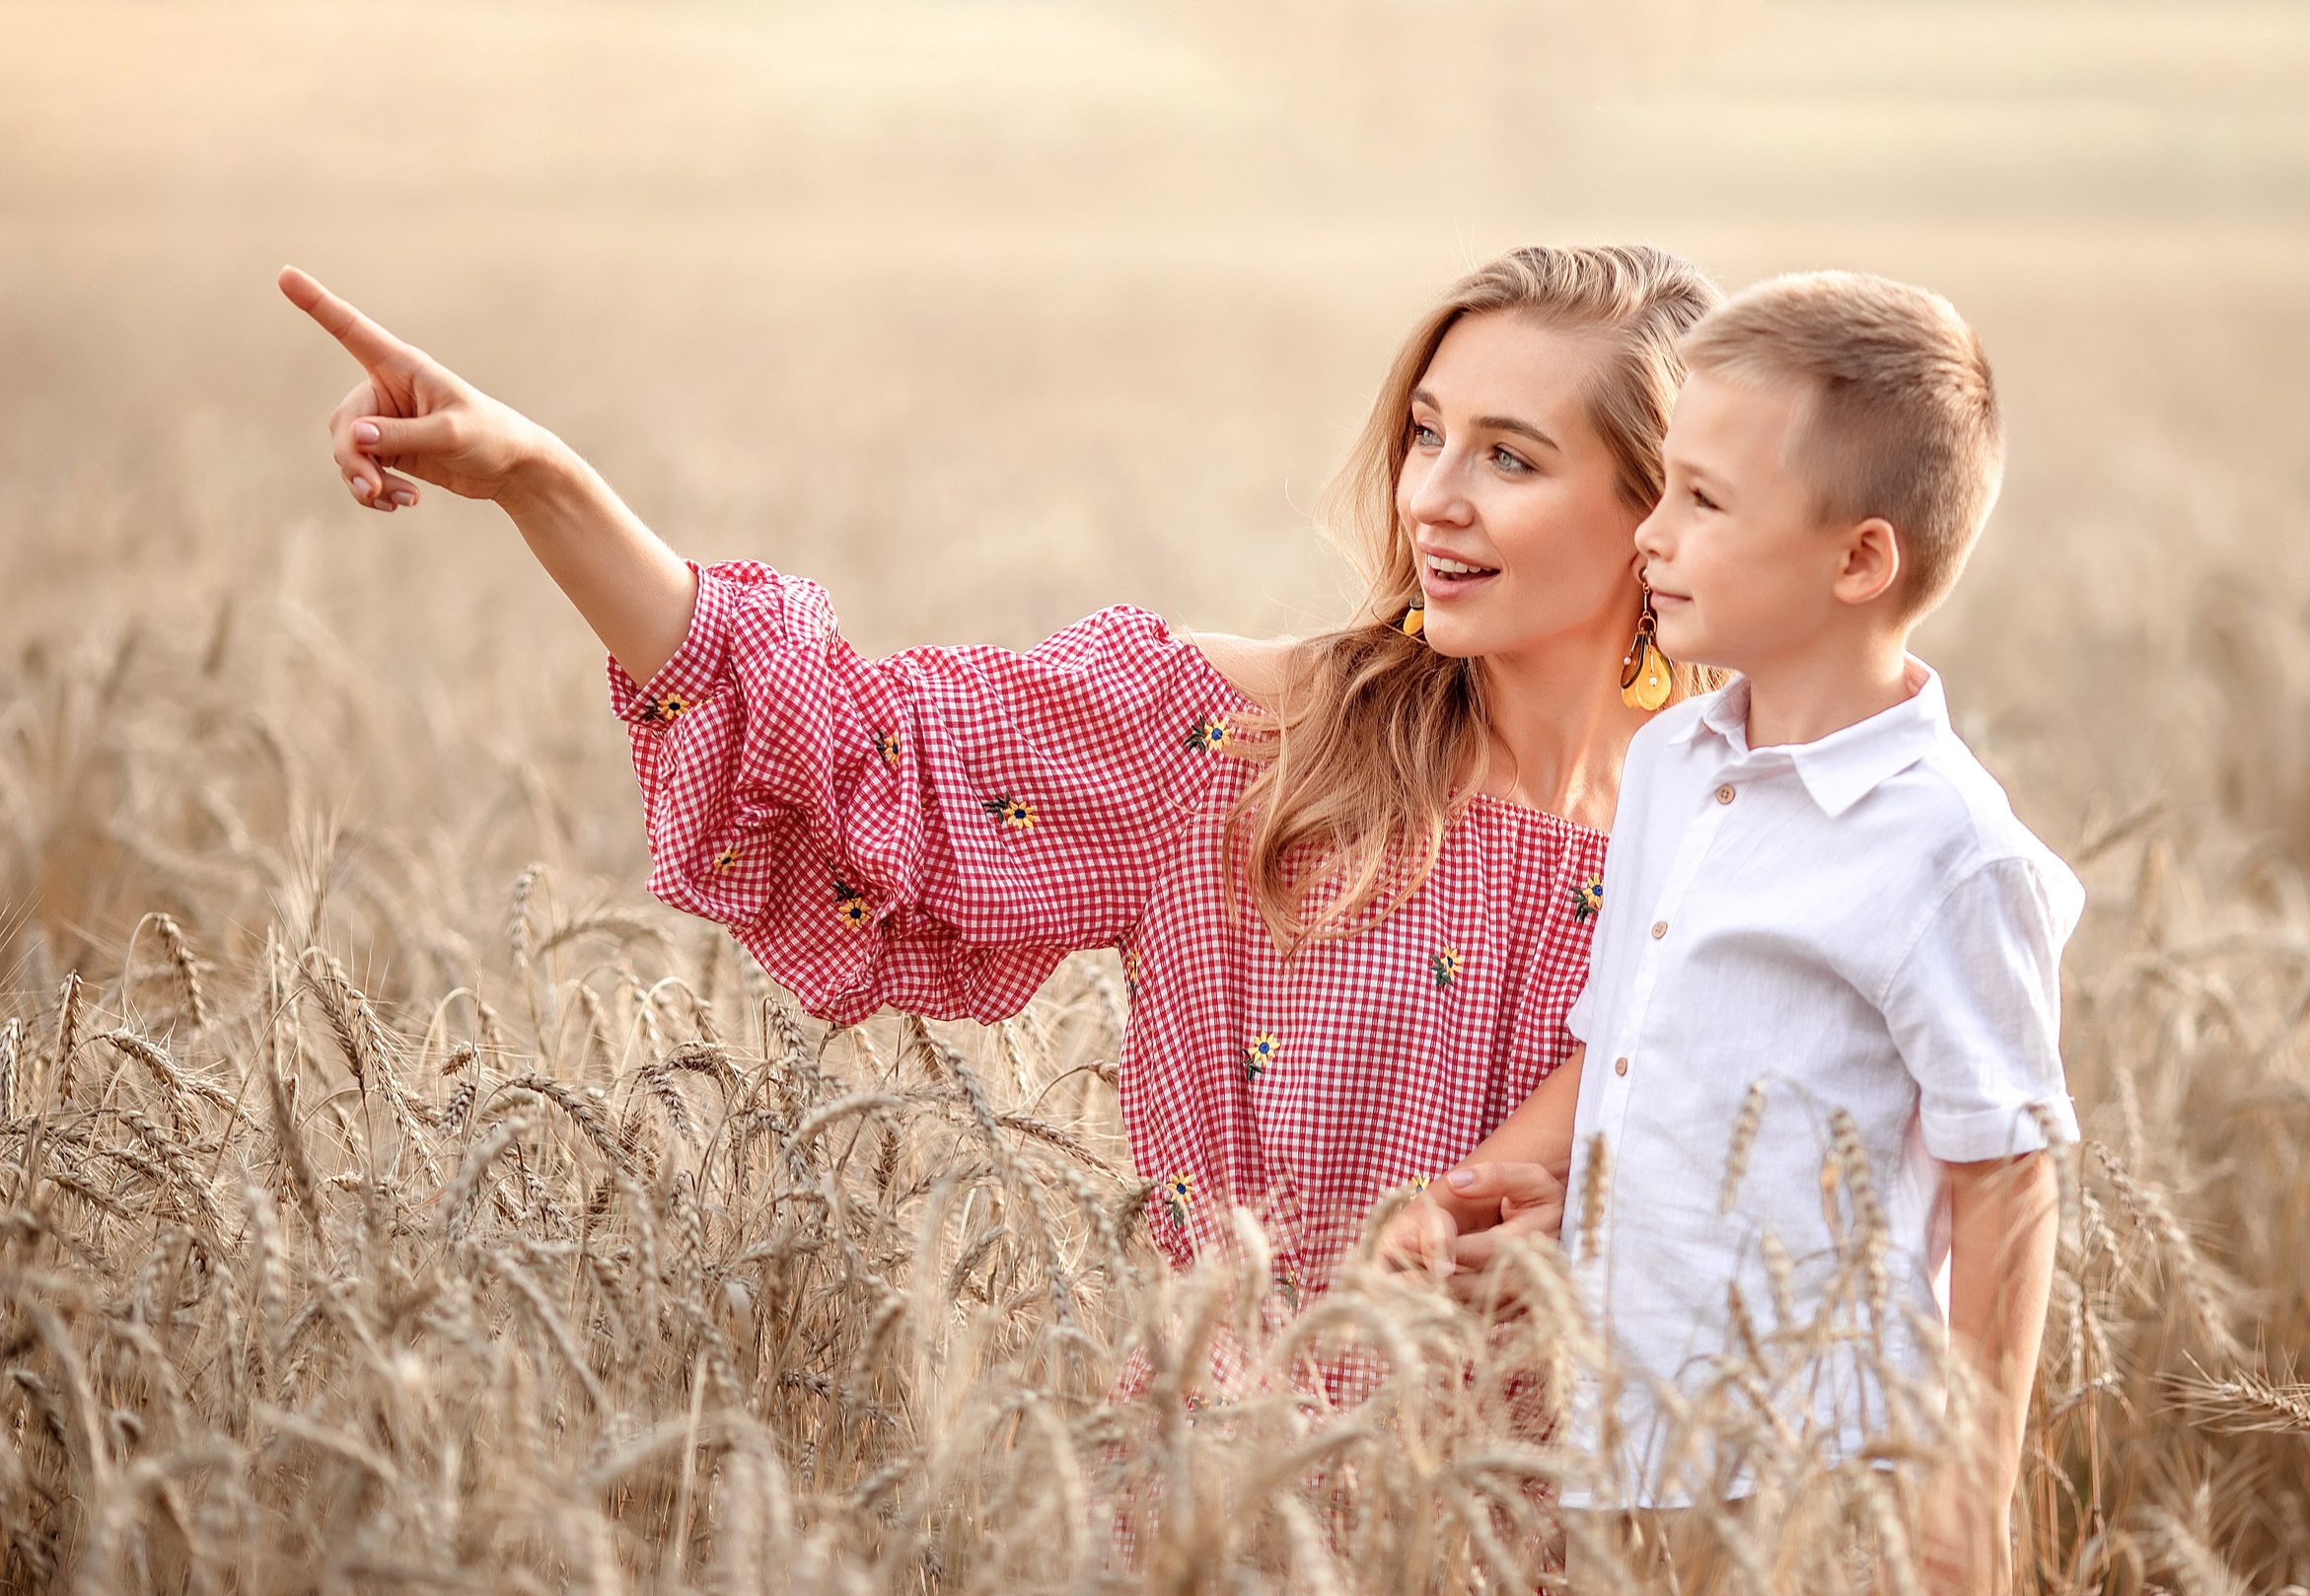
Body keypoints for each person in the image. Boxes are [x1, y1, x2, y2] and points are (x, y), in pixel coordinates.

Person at [277, 247, 1720, 1309]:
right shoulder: (1243, 747)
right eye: (1425, 433)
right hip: (1254, 1539)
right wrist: (544, 479)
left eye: (1510, 458)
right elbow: (847, 753)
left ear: (1658, 510)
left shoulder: (1739, 830)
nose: (1432, 497)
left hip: (1590, 1581)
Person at [1400, 271, 2080, 1596]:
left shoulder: (1949, 851)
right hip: (1616, 1445)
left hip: (1809, 1480)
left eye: (1702, 502)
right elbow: (1637, 1049)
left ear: (1859, 561)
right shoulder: (1676, 764)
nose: (1650, 532)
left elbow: (2004, 1179)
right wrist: (1526, 1198)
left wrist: (1969, 1497)